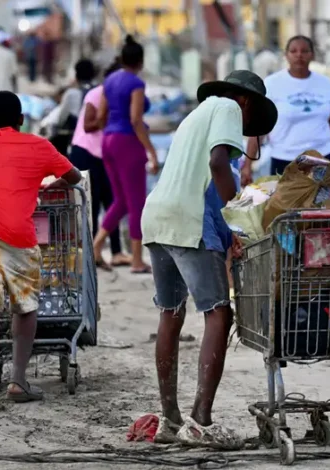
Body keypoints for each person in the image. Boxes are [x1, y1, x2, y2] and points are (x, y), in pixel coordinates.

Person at [141, 70, 278, 447]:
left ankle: (170, 419)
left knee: (170, 313)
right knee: (219, 312)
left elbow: (204, 173)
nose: (246, 128)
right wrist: (236, 219)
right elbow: (219, 165)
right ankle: (201, 420)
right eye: (251, 121)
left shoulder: (196, 115)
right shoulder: (230, 109)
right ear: (247, 102)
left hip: (157, 217)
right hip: (188, 223)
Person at [0, 91, 83, 412]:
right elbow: (74, 177)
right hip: (20, 237)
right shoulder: (39, 146)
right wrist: (48, 185)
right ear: (22, 120)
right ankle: (18, 381)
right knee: (25, 306)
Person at [92, 36, 159, 274]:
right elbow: (135, 120)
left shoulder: (109, 80)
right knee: (136, 202)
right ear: (140, 61)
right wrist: (151, 151)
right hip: (127, 142)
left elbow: (101, 116)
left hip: (109, 140)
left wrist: (110, 132)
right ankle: (137, 260)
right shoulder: (136, 84)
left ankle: (96, 244)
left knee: (121, 200)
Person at [243, 35, 330, 184]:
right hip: (285, 161)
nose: (299, 55)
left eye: (305, 51)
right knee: (285, 206)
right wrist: (247, 166)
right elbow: (260, 129)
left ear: (312, 55)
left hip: (321, 159)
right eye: (294, 51)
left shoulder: (325, 84)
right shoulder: (272, 84)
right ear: (286, 55)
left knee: (321, 205)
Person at [69, 60, 132, 271]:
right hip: (86, 153)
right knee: (93, 204)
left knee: (112, 200)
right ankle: (92, 254)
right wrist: (106, 117)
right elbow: (88, 125)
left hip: (105, 154)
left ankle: (116, 252)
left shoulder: (123, 97)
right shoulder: (97, 94)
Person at [49, 59, 96, 156]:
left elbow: (61, 118)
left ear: (76, 75)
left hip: (77, 141)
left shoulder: (71, 93)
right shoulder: (99, 91)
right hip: (95, 141)